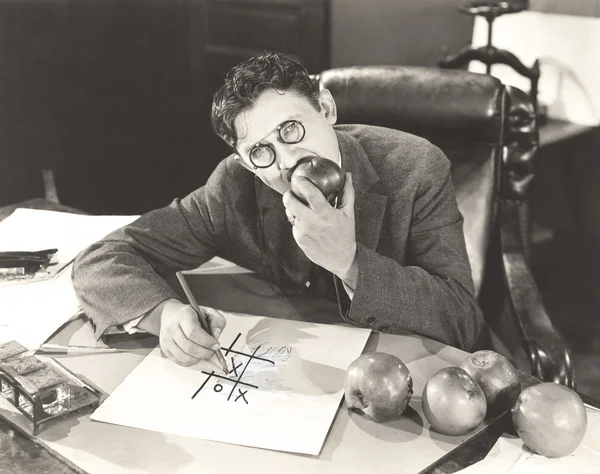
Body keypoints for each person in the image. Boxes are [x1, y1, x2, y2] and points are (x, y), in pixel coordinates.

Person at [72, 52, 486, 367]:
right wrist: (162, 314)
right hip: (296, 367)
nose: (287, 161)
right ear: (245, 163)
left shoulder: (415, 167)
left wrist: (351, 263)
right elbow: (102, 259)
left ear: (326, 109)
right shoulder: (233, 187)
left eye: (291, 129)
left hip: (406, 370)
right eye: (262, 151)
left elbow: (463, 322)